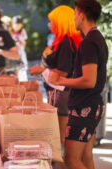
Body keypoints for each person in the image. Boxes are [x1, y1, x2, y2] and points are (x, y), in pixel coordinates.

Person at [49, 1, 108, 169]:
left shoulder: (89, 42)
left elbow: (89, 80)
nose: (73, 17)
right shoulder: (97, 38)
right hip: (91, 104)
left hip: (84, 106)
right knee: (85, 157)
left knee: (71, 159)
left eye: (75, 13)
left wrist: (60, 81)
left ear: (82, 16)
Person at [31, 5, 83, 168]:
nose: (49, 24)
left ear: (60, 22)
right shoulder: (63, 40)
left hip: (63, 95)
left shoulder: (66, 42)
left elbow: (63, 72)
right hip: (60, 93)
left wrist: (42, 70)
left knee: (63, 137)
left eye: (52, 21)